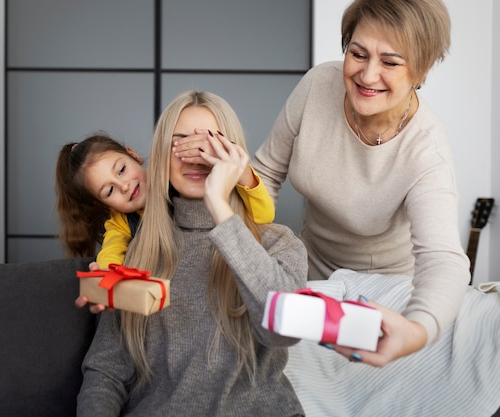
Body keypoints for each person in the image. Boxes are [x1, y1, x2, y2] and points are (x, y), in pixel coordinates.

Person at [175, 0, 470, 367]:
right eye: (358, 54)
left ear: (421, 71)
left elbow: (443, 259)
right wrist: (236, 174)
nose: (367, 75)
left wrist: (418, 328)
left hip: (384, 294)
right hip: (310, 278)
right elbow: (265, 175)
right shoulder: (318, 85)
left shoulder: (427, 152)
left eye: (390, 62)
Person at [75, 90, 308, 416]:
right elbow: (108, 371)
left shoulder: (278, 244)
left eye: (210, 143)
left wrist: (218, 203)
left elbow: (286, 329)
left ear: (235, 155)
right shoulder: (136, 255)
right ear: (159, 156)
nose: (195, 156)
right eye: (180, 143)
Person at [55, 133, 275, 272]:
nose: (124, 186)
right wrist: (107, 273)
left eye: (121, 170)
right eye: (110, 190)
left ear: (133, 156)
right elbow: (112, 252)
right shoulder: (121, 222)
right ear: (106, 205)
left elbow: (263, 216)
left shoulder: (181, 182)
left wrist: (242, 172)